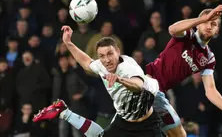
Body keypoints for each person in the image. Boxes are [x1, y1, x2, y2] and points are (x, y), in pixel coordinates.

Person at [33, 28, 163, 137]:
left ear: (118, 51)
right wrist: (68, 43)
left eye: (110, 54)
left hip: (146, 123)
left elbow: (138, 85)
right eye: (101, 56)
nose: (106, 60)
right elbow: (86, 62)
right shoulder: (102, 65)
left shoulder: (128, 67)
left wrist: (120, 79)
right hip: (125, 119)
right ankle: (63, 112)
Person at [145, 4, 222, 136]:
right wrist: (202, 18)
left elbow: (210, 90)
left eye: (213, 24)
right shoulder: (186, 35)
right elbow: (172, 29)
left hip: (159, 93)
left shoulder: (209, 57)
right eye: (205, 22)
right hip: (147, 84)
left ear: (217, 30)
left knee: (180, 135)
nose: (209, 26)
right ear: (198, 24)